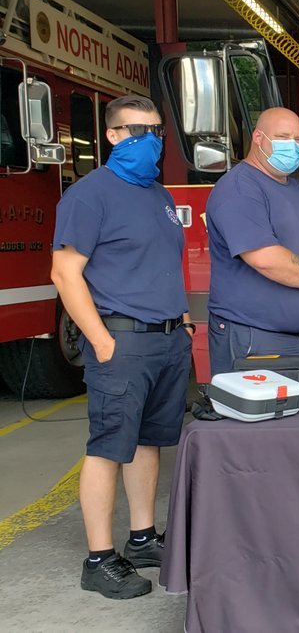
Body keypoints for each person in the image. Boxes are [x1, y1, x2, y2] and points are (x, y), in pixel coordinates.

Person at [50, 95, 193, 599]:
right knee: (109, 447)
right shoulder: (90, 195)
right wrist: (101, 341)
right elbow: (65, 274)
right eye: (137, 131)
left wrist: (183, 321)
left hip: (167, 338)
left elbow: (163, 264)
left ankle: (142, 537)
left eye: (156, 131)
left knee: (148, 442)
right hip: (122, 340)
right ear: (112, 135)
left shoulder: (158, 195)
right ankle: (99, 559)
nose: (149, 140)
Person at [206, 107, 299, 375]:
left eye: (298, 140)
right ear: (258, 138)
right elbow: (266, 259)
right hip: (255, 340)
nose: (292, 146)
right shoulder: (240, 188)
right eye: (283, 137)